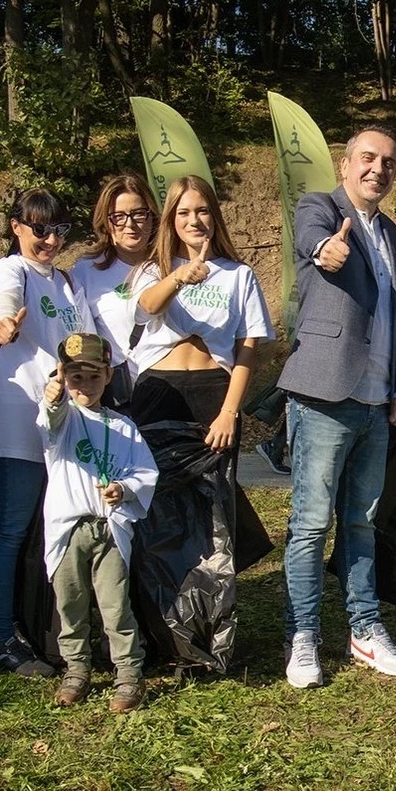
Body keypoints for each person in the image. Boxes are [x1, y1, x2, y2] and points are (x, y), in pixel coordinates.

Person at [277, 124, 396, 689]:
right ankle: (302, 635)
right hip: (324, 396)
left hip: (377, 401)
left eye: (387, 162)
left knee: (360, 522)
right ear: (345, 164)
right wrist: (324, 248)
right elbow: (314, 238)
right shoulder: (320, 207)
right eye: (367, 158)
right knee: (310, 524)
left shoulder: (390, 234)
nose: (377, 169)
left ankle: (364, 627)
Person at [127, 175, 273, 669]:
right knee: (155, 519)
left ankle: (211, 639)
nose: (194, 220)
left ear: (215, 216)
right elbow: (146, 309)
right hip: (158, 398)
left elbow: (249, 348)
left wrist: (230, 411)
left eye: (203, 211)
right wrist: (179, 277)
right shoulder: (152, 269)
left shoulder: (239, 275)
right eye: (184, 212)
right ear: (171, 219)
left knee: (214, 525)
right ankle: (160, 638)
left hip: (213, 395)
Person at [0, 187, 94, 676]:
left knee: (55, 528)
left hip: (62, 420)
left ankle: (45, 628)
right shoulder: (12, 270)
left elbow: (88, 342)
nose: (48, 239)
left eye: (58, 230)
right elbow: (0, 306)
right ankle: (1, 639)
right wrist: (2, 324)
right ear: (16, 227)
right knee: (11, 528)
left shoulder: (66, 281)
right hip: (19, 415)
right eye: (39, 228)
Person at [39, 333, 157, 713]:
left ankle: (128, 671)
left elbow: (145, 470)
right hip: (69, 529)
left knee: (114, 603)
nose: (84, 386)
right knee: (69, 601)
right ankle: (76, 666)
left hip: (110, 529)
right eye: (75, 378)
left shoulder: (124, 427)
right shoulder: (62, 422)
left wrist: (123, 489)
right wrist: (54, 394)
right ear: (63, 378)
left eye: (92, 377)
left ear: (108, 376)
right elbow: (50, 414)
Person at [69, 174, 159, 410]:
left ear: (152, 217)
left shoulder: (172, 266)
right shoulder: (86, 271)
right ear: (106, 223)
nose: (130, 224)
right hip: (116, 398)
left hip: (168, 392)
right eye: (118, 217)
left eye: (139, 213)